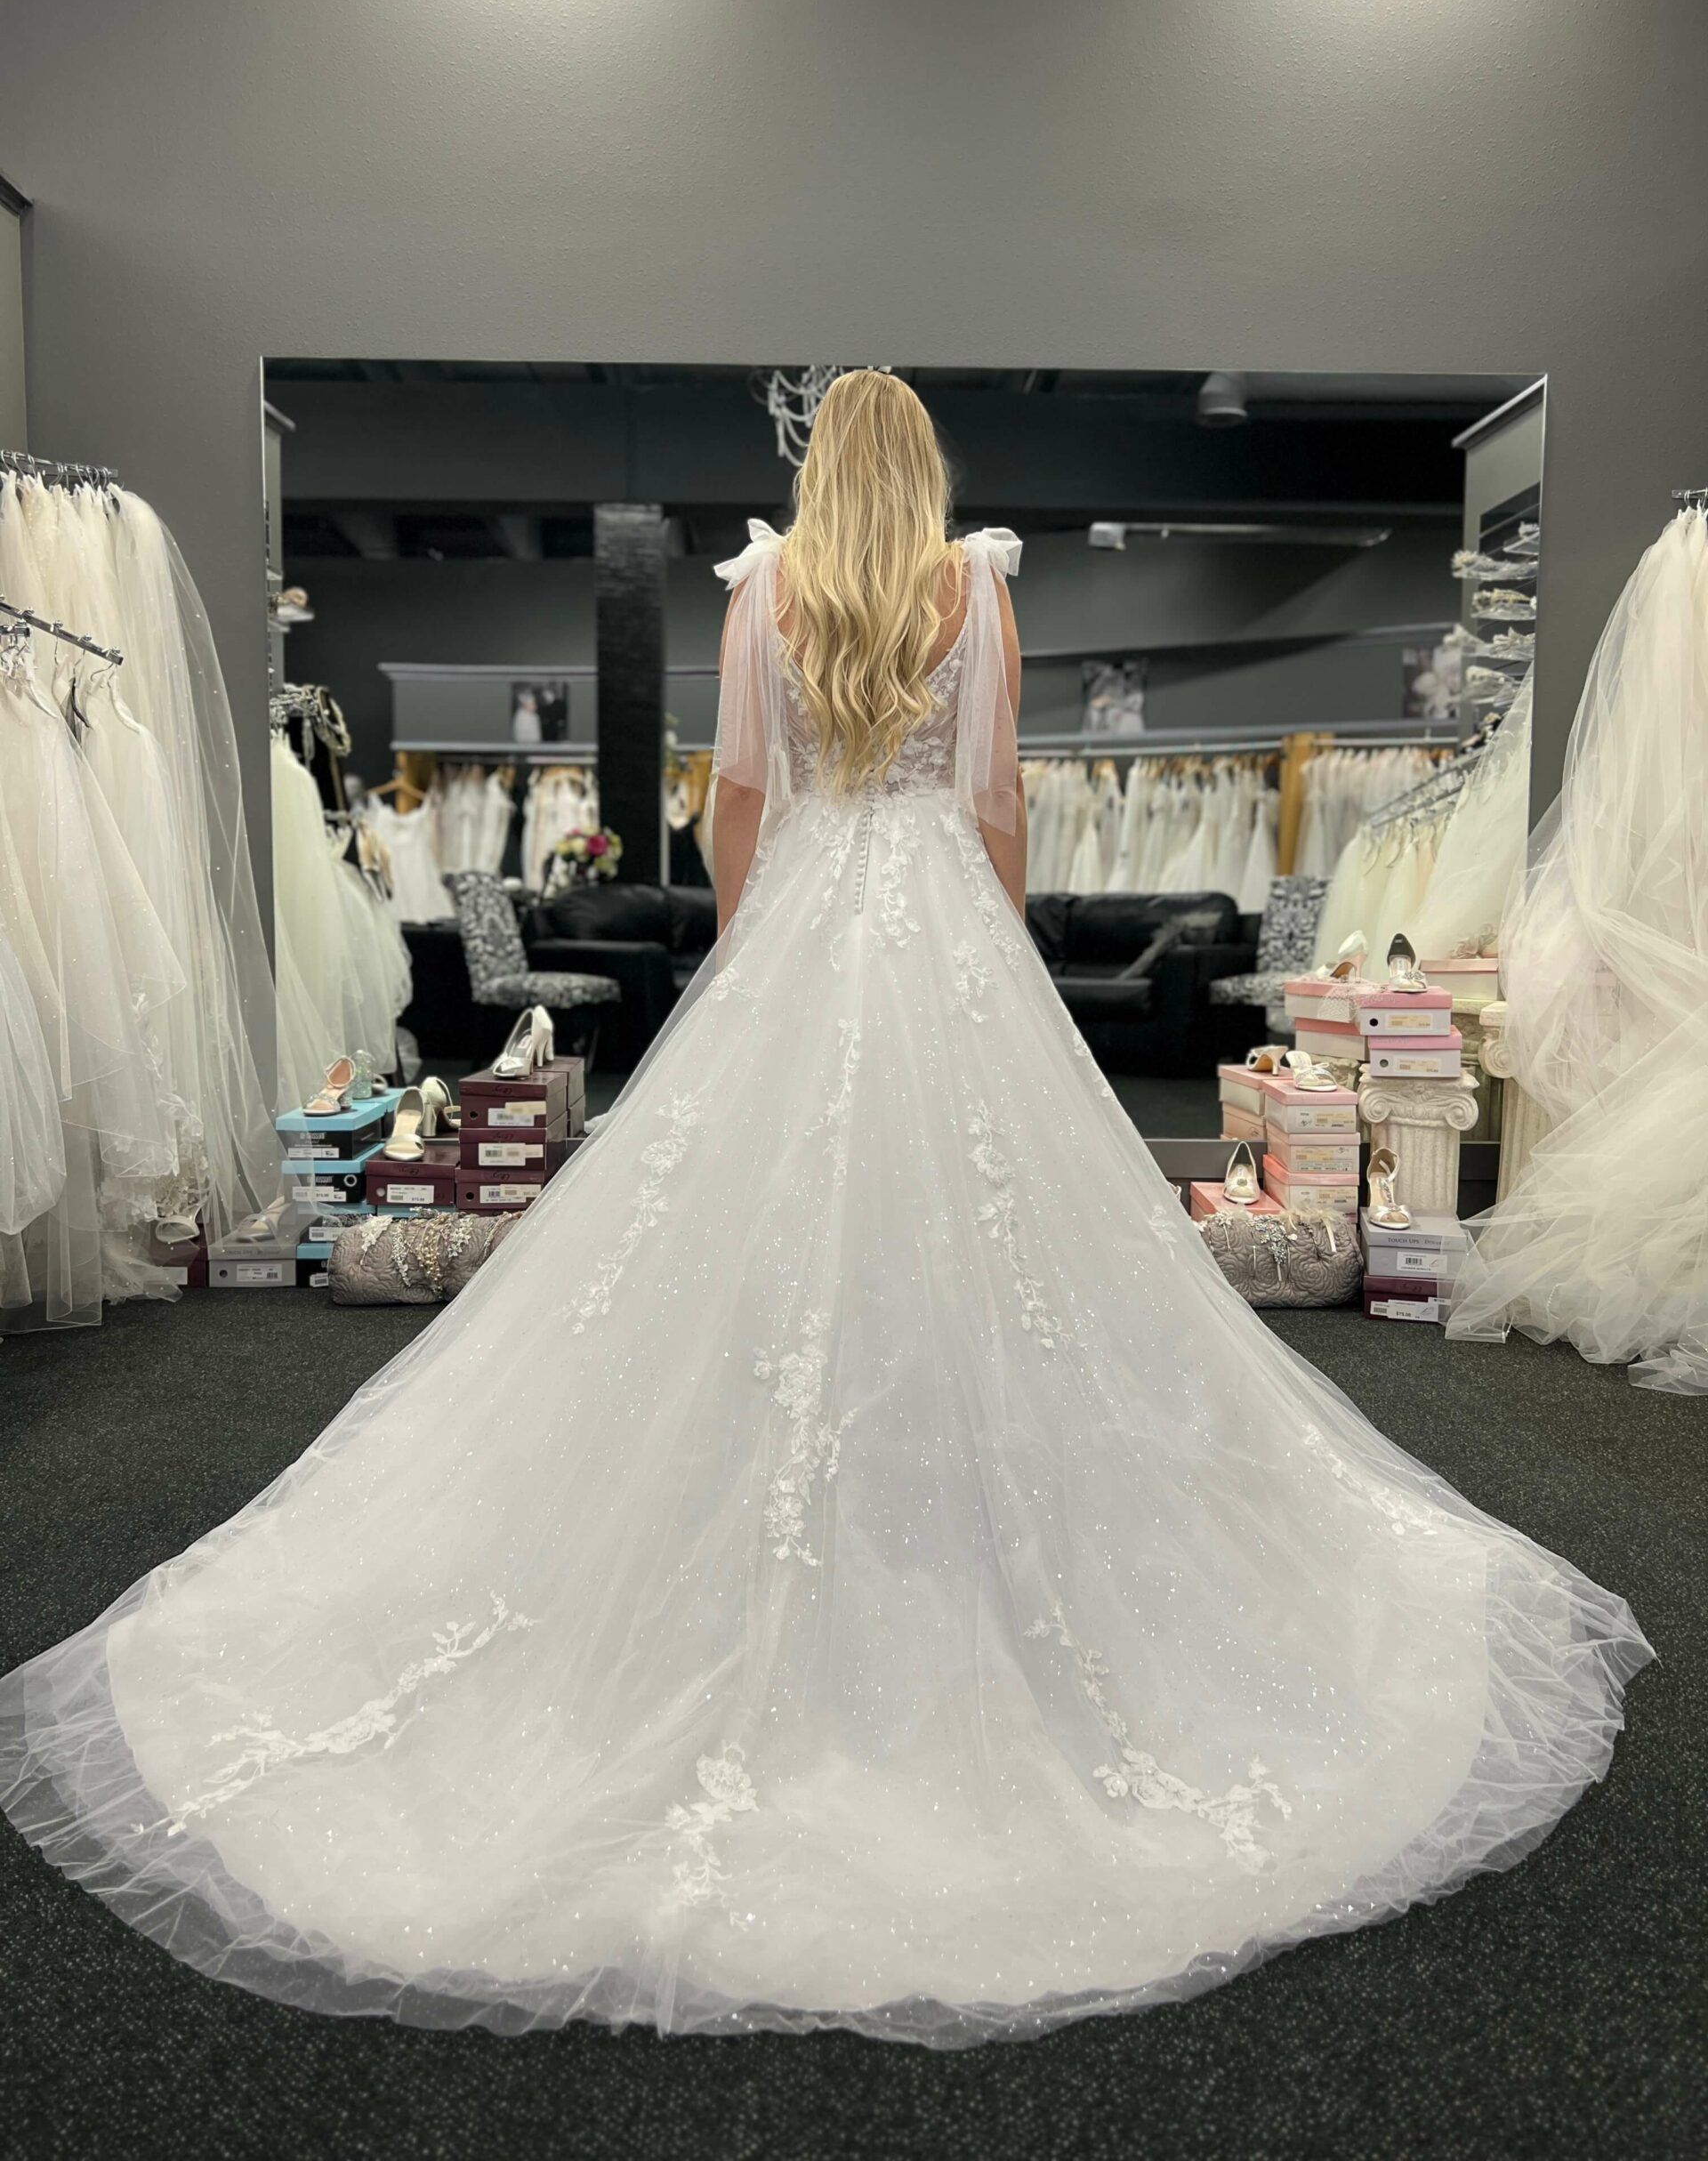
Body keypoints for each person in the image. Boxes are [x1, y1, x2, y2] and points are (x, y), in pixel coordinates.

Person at [0, 373, 1648, 2046]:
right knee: (994, 1236)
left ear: (817, 466)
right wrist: (1002, 954)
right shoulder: (975, 586)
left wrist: (743, 951)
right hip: (942, 924)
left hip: (805, 917)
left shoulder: (767, 589)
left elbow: (736, 796)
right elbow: (996, 801)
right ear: (922, 469)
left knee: (734, 1240)